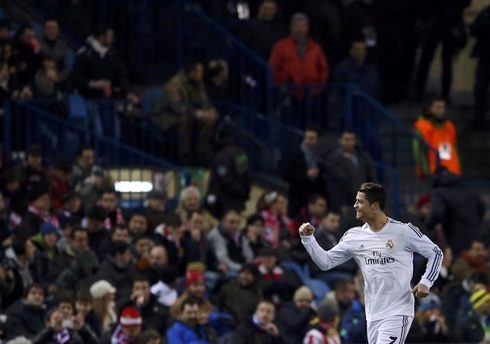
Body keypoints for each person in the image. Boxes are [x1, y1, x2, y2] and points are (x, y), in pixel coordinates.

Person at [299, 182, 443, 344]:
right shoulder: (354, 236)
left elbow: (436, 253)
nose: (355, 206)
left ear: (374, 206)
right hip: (373, 313)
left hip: (397, 311)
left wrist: (426, 281)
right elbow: (325, 262)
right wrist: (308, 240)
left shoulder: (403, 231)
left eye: (360, 201)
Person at [154, 61, 218, 164]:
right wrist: (199, 114)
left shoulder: (198, 83)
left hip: (191, 115)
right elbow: (177, 108)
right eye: (200, 71)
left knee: (209, 120)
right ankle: (184, 155)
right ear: (192, 72)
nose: (202, 74)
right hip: (169, 119)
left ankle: (202, 153)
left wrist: (210, 111)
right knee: (184, 119)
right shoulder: (174, 84)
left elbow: (204, 101)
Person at [269, 12, 329, 86]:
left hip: (311, 92)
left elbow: (323, 69)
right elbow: (273, 68)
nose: (300, 29)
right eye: (297, 26)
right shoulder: (280, 46)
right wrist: (282, 83)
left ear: (308, 28)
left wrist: (318, 87)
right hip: (287, 92)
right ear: (291, 27)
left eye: (303, 26)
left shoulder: (315, 47)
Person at [280, 126, 326, 218]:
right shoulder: (294, 156)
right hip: (297, 200)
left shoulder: (320, 158)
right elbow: (285, 174)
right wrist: (305, 174)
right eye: (307, 138)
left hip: (313, 202)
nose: (308, 141)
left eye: (312, 138)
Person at [413, 98, 461, 178]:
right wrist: (426, 171)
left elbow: (455, 149)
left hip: (452, 173)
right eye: (438, 107)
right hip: (431, 174)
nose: (442, 111)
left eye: (443, 107)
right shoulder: (421, 127)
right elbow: (419, 152)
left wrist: (458, 167)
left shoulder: (449, 126)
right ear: (429, 109)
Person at [470, 5, 490, 131]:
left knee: (481, 88)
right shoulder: (486, 13)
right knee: (480, 88)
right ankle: (479, 119)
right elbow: (475, 29)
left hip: (485, 55)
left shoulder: (486, 13)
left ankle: (480, 119)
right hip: (485, 55)